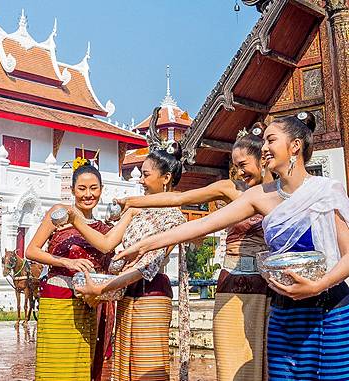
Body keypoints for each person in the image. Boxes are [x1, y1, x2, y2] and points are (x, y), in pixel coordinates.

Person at [117, 111, 349, 381]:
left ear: (294, 145)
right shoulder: (259, 196)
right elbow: (200, 226)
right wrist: (146, 244)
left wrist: (318, 285)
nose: (264, 148)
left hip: (329, 308)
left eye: (271, 140)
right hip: (285, 308)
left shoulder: (326, 191)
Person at [114, 124, 272, 381]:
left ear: (263, 160)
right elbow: (180, 198)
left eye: (244, 165)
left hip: (267, 286)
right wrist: (132, 202)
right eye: (235, 167)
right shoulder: (231, 189)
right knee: (231, 364)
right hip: (232, 280)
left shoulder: (279, 194)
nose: (239, 173)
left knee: (265, 362)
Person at [69, 145, 186, 381]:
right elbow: (106, 244)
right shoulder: (136, 210)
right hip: (125, 292)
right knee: (124, 365)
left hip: (151, 293)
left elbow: (148, 266)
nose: (141, 180)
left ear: (166, 178)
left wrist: (103, 288)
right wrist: (75, 220)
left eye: (146, 174)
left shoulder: (175, 218)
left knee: (146, 365)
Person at [25, 160, 114, 381]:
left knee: (81, 367)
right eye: (82, 188)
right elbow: (31, 250)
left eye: (93, 188)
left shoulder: (104, 229)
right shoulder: (59, 214)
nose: (88, 194)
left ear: (101, 190)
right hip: (57, 300)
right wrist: (67, 263)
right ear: (73, 190)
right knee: (55, 368)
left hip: (90, 304)